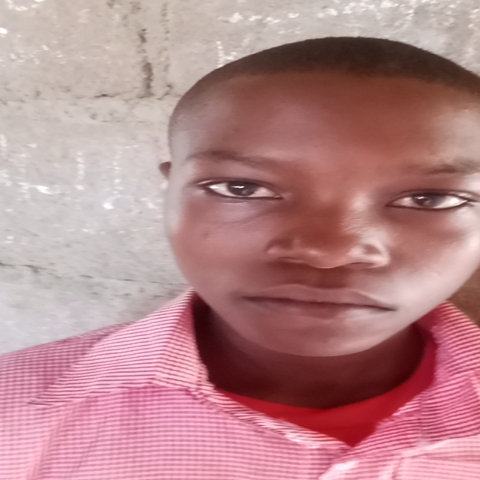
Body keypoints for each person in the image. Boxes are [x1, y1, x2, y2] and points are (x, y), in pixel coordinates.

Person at [2, 36, 480, 480]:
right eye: (242, 188)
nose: (328, 252)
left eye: (431, 200)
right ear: (171, 191)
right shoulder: (13, 413)